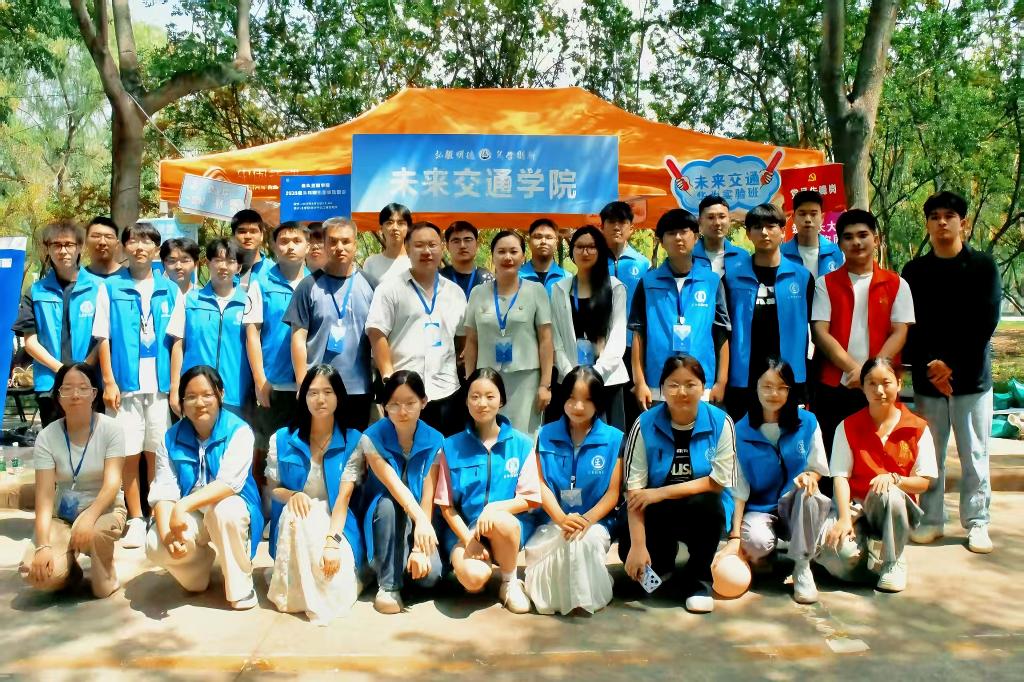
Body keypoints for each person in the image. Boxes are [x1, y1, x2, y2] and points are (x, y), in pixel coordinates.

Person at [902, 191, 1001, 553]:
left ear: (964, 223)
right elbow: (910, 325)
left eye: (949, 216)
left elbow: (985, 322)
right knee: (930, 455)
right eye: (935, 217)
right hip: (929, 380)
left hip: (972, 380)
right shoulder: (915, 271)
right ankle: (931, 519)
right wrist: (933, 366)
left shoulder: (983, 266)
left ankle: (977, 522)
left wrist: (951, 366)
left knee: (975, 453)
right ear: (927, 224)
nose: (942, 222)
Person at [617, 355, 738, 614]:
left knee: (708, 504)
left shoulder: (721, 422)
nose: (682, 392)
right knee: (630, 553)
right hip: (658, 511)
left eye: (690, 384)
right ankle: (664, 567)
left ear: (703, 387)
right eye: (673, 385)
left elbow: (717, 483)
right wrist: (638, 546)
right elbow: (635, 492)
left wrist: (660, 492)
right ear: (662, 388)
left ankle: (699, 580)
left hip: (700, 508)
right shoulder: (644, 424)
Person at [145, 365, 265, 609]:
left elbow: (229, 484)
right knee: (155, 542)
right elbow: (164, 490)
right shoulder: (170, 438)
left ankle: (240, 587)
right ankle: (196, 570)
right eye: (190, 397)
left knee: (224, 512)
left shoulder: (239, 431)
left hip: (232, 505)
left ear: (220, 394)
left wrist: (182, 506)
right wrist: (168, 536)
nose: (199, 403)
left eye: (207, 394)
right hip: (193, 513)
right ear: (181, 401)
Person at [815, 358, 935, 593]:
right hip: (857, 507)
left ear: (899, 383)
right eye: (871, 383)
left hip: (895, 509)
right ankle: (868, 566)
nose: (879, 390)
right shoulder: (847, 426)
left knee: (889, 491)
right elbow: (840, 477)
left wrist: (896, 479)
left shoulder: (918, 427)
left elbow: (924, 482)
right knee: (836, 556)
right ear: (862, 387)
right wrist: (844, 518)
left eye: (886, 382)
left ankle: (893, 560)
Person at [93, 222, 178, 549]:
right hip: (124, 385)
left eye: (147, 242)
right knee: (128, 453)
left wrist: (174, 386)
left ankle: (157, 514)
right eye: (133, 241)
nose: (140, 247)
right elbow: (103, 338)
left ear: (156, 249)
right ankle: (136, 517)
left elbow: (177, 341)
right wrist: (109, 381)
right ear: (124, 247)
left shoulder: (169, 289)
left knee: (156, 453)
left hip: (158, 386)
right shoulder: (110, 287)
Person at [722, 360, 831, 604]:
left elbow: (817, 467)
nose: (774, 393)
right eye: (767, 386)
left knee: (809, 494)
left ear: (791, 390)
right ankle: (765, 557)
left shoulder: (808, 422)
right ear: (755, 387)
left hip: (797, 504)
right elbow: (738, 489)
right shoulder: (739, 431)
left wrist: (809, 477)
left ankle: (802, 566)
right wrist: (735, 537)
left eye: (782, 387)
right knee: (755, 543)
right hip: (761, 509)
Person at [434, 368, 541, 613]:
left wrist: (494, 509)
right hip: (465, 530)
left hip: (506, 531)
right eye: (475, 397)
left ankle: (509, 582)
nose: (482, 403)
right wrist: (469, 540)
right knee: (473, 580)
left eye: (490, 396)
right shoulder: (450, 446)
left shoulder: (522, 444)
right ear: (466, 401)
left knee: (503, 521)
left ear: (501, 400)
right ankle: (479, 571)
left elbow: (530, 498)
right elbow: (446, 506)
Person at [265, 364, 364, 625]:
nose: (320, 399)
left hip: (336, 522)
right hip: (296, 519)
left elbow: (343, 498)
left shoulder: (354, 440)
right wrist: (291, 495)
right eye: (313, 392)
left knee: (336, 580)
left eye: (328, 392)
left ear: (339, 396)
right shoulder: (281, 439)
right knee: (297, 515)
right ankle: (295, 596)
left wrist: (332, 542)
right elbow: (273, 489)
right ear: (302, 396)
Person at [812, 209, 914, 454]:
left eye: (863, 235)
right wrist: (855, 370)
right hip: (836, 384)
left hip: (881, 386)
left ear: (876, 240)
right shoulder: (825, 284)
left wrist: (871, 373)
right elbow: (820, 333)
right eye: (848, 237)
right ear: (839, 244)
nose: (856, 242)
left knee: (878, 451)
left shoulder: (897, 284)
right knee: (834, 450)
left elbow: (900, 332)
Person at [19, 363, 126, 598]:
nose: (75, 395)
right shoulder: (47, 437)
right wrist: (43, 545)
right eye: (67, 388)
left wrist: (89, 516)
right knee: (33, 572)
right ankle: (71, 572)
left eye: (83, 388)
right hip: (64, 514)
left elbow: (112, 483)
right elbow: (44, 496)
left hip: (104, 509)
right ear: (58, 396)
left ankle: (106, 572)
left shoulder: (112, 430)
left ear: (94, 394)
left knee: (102, 590)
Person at [525, 367, 622, 615]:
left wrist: (585, 521)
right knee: (561, 548)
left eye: (587, 400)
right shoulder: (545, 434)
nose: (578, 406)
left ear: (598, 402)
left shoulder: (615, 439)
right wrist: (561, 519)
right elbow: (540, 484)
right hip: (551, 520)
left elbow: (613, 494)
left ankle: (591, 595)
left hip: (595, 523)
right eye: (571, 398)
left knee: (579, 545)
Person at [345, 371, 444, 614]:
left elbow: (428, 495)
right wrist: (420, 520)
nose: (402, 411)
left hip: (419, 518)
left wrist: (420, 544)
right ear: (384, 406)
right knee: (389, 503)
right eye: (394, 404)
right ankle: (388, 586)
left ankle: (396, 565)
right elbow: (393, 484)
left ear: (424, 402)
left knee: (430, 577)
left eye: (410, 403)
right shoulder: (371, 438)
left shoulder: (436, 439)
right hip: (383, 515)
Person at [367, 222, 467, 435]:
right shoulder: (389, 289)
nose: (427, 251)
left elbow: (462, 339)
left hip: (447, 390)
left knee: (445, 451)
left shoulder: (455, 293)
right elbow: (376, 333)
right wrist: (388, 377)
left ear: (442, 247)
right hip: (404, 393)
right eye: (419, 245)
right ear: (407, 248)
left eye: (432, 245)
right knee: (403, 449)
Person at [629, 209, 731, 408]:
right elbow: (638, 334)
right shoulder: (648, 282)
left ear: (696, 236)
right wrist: (640, 382)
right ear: (661, 241)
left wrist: (721, 381)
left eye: (684, 231)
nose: (678, 238)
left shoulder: (711, 282)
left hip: (703, 384)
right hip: (657, 385)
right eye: (671, 233)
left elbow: (721, 333)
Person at [723, 203, 814, 419]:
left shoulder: (802, 277)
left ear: (783, 231)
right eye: (757, 227)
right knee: (745, 433)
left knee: (790, 432)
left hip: (790, 375)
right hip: (744, 376)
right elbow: (723, 331)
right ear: (748, 234)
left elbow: (815, 328)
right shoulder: (731, 278)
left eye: (771, 226)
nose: (764, 232)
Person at [285, 217, 375, 429]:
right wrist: (302, 383)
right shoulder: (308, 286)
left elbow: (380, 337)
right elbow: (298, 337)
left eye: (346, 241)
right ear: (324, 245)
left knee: (353, 446)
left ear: (355, 244)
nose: (339, 247)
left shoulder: (371, 284)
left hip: (358, 389)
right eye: (333, 242)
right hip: (318, 388)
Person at [463, 231, 554, 437]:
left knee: (524, 437)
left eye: (514, 251)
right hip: (487, 380)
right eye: (501, 251)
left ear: (523, 256)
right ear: (492, 256)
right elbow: (471, 341)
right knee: (488, 434)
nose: (507, 257)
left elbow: (546, 340)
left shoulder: (536, 291)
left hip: (526, 381)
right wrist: (470, 383)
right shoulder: (477, 293)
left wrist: (545, 385)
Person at [13, 221, 104, 427]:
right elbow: (30, 342)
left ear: (80, 247)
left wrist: (83, 370)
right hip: (50, 384)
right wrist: (62, 370)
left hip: (90, 383)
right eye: (56, 245)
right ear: (48, 248)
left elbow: (104, 337)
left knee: (92, 442)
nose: (63, 251)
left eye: (69, 244)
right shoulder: (35, 291)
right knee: (55, 443)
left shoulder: (99, 288)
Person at [246, 221, 311, 480]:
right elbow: (252, 333)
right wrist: (260, 379)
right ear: (273, 246)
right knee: (267, 449)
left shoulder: (316, 282)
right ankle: (265, 500)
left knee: (304, 447)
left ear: (308, 246)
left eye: (297, 241)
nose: (290, 246)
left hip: (309, 384)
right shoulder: (261, 283)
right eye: (283, 241)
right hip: (274, 384)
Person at [167, 239, 258, 419]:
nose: (223, 266)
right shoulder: (189, 300)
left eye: (230, 261)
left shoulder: (248, 302)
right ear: (207, 263)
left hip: (235, 393)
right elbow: (178, 345)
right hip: (195, 393)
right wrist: (175, 388)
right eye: (217, 260)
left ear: (239, 267)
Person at [549, 227, 628, 430]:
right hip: (569, 381)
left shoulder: (615, 288)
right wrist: (571, 374)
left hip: (607, 380)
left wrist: (596, 374)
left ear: (600, 250)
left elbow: (617, 337)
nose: (585, 252)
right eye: (580, 247)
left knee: (608, 440)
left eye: (592, 247)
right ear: (572, 251)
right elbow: (555, 338)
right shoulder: (560, 289)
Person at [599, 201, 650, 425]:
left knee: (633, 404)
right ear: (602, 227)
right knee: (604, 405)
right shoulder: (594, 261)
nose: (616, 227)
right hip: (601, 346)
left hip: (634, 346)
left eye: (622, 222)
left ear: (631, 228)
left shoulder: (644, 264)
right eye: (611, 222)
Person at [780, 190, 844, 279]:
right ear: (793, 218)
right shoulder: (780, 254)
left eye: (813, 214)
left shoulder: (838, 253)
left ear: (822, 218)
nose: (808, 219)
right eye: (802, 214)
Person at [692, 195, 751, 277]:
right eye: (710, 217)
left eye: (722, 217)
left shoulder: (743, 257)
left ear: (729, 220)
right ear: (699, 222)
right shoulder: (688, 256)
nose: (717, 223)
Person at [440, 220, 494, 299]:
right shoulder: (439, 278)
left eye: (468, 240)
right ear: (447, 246)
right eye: (456, 241)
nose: (462, 245)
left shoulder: (487, 278)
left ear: (477, 245)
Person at [363, 203, 412, 287]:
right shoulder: (371, 263)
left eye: (400, 223)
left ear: (408, 228)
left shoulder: (416, 262)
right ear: (381, 228)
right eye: (389, 223)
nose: (395, 228)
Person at [520, 218, 566, 296]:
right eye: (538, 237)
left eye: (549, 237)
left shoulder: (567, 279)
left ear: (556, 243)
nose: (543, 241)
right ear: (529, 242)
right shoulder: (516, 278)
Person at [231, 209, 268, 289]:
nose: (248, 236)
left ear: (261, 235)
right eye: (242, 232)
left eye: (253, 231)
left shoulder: (274, 271)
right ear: (233, 236)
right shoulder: (224, 269)